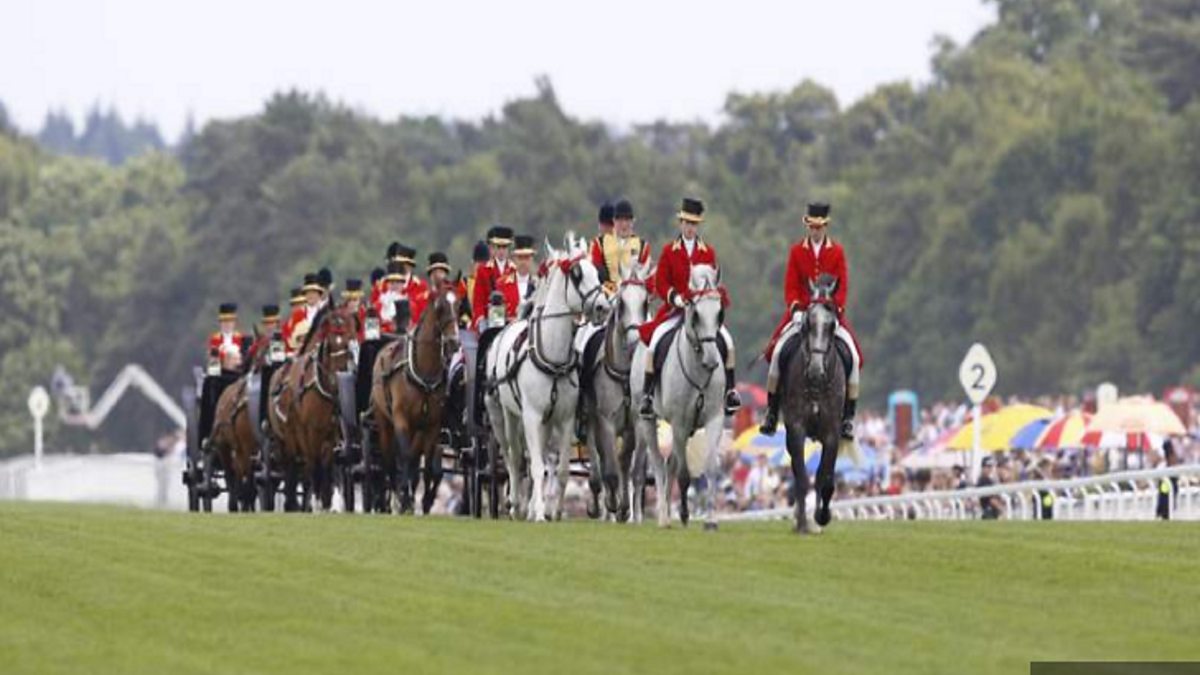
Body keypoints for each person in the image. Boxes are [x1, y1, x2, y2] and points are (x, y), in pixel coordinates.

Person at [759, 202, 863, 440]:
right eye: (812, 227)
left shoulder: (837, 252)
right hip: (802, 312)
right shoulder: (797, 251)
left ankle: (848, 417)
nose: (815, 231)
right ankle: (772, 412)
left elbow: (843, 285)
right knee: (776, 353)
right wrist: (795, 307)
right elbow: (791, 285)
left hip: (829, 314)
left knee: (854, 357)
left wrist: (836, 309)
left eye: (819, 227)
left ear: (825, 226)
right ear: (807, 225)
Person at [638, 197, 741, 418]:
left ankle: (730, 391)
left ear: (698, 225)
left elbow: (714, 284)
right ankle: (648, 394)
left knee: (728, 342)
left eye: (694, 224)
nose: (690, 228)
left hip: (703, 315)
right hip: (676, 310)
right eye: (687, 223)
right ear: (681, 223)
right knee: (655, 342)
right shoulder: (669, 251)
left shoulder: (708, 252)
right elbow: (661, 283)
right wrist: (674, 298)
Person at [590, 198, 653, 292]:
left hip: (634, 298)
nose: (624, 224)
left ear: (633, 222)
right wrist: (615, 290)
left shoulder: (643, 246)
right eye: (620, 220)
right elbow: (596, 276)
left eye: (627, 220)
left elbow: (648, 282)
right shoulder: (600, 244)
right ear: (614, 221)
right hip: (607, 298)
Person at [471, 226, 515, 330]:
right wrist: (481, 320)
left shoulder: (515, 270)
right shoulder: (483, 270)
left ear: (508, 248)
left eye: (504, 247)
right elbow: (478, 301)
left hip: (512, 321)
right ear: (493, 248)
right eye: (498, 247)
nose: (501, 251)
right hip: (490, 321)